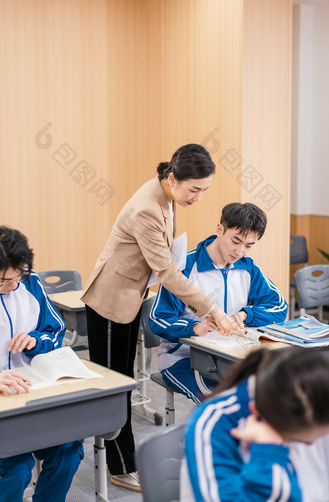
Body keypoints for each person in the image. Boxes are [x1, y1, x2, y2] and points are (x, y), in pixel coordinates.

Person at [82, 144, 244, 492]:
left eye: (205, 191)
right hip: (111, 300)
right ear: (173, 178)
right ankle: (118, 465)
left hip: (129, 295)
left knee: (122, 382)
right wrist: (213, 309)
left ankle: (120, 457)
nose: (198, 198)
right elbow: (167, 272)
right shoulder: (147, 208)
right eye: (195, 190)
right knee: (115, 386)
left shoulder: (166, 193)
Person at [149, 202, 288, 403]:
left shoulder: (248, 267)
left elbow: (279, 307)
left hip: (230, 356)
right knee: (218, 403)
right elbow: (158, 319)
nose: (240, 252)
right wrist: (194, 327)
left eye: (249, 245)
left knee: (271, 393)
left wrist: (245, 314)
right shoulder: (185, 267)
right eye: (236, 241)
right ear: (219, 230)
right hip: (183, 358)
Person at [0, 225, 84, 502]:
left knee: (68, 450)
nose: (13, 286)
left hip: (34, 389)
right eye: (4, 280)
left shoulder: (29, 282)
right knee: (16, 467)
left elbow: (54, 331)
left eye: (19, 276)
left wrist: (34, 340)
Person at [180, 347, 329, 502]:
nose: (312, 443)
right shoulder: (214, 423)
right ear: (257, 412)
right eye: (301, 440)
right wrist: (268, 451)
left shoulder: (316, 403)